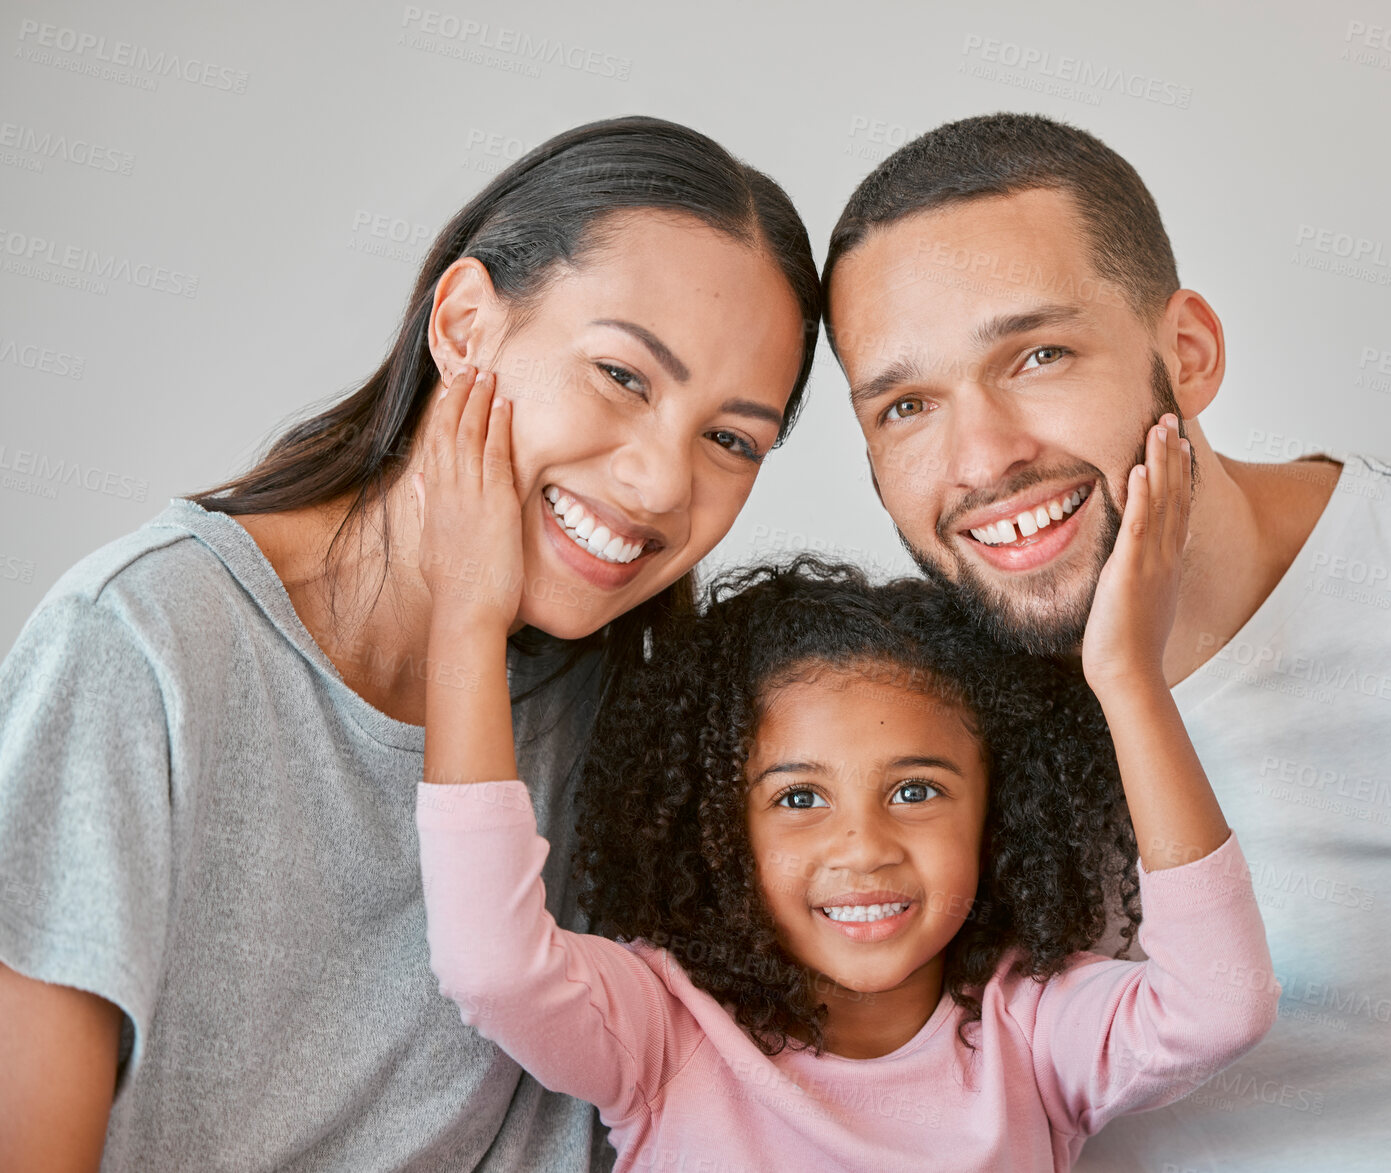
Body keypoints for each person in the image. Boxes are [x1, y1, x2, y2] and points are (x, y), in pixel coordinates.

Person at [821, 111, 1391, 1171]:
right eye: (906, 405)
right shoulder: (892, 743)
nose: (980, 459)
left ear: (1186, 354)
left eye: (1038, 354)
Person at [0, 115, 820, 1172]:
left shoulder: (655, 718)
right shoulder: (142, 644)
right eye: (623, 376)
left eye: (729, 439)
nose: (662, 483)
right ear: (467, 323)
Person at [408, 386, 1276, 1171]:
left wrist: (1127, 677)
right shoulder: (666, 1029)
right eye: (797, 798)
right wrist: (468, 619)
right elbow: (493, 968)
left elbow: (1218, 1007)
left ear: (997, 811)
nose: (863, 846)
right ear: (718, 828)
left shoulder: (1035, 1032)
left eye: (915, 790)